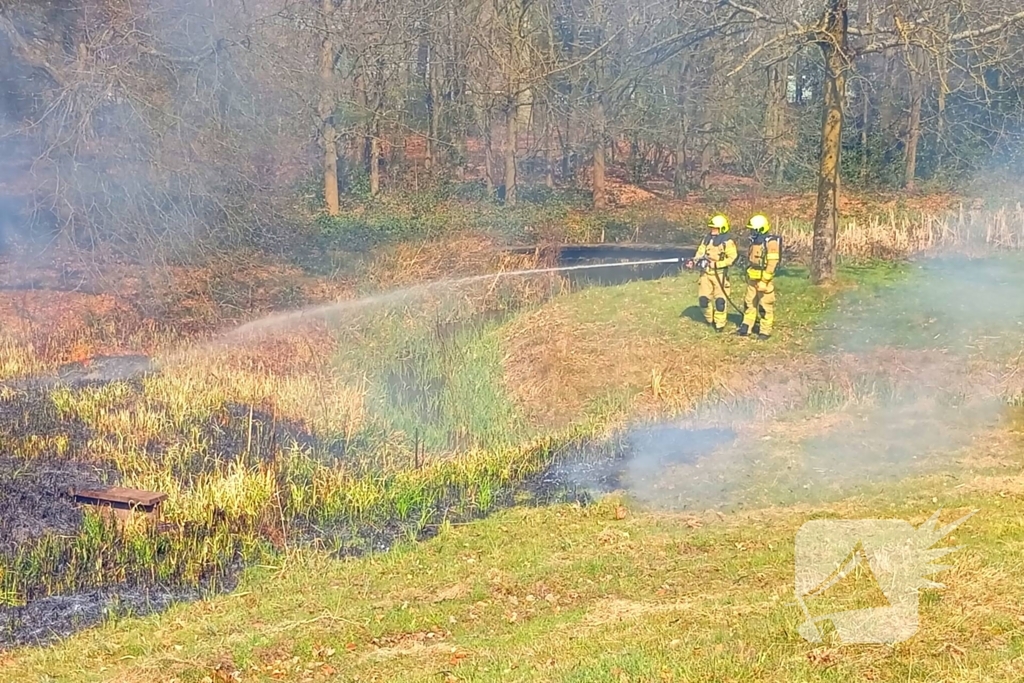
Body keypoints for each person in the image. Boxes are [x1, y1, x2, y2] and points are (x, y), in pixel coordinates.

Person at [685, 214, 737, 332]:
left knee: (720, 301)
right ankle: (709, 319)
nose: (712, 231)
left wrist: (717, 264)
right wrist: (693, 262)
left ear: (722, 228)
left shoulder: (727, 242)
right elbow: (700, 252)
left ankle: (719, 324)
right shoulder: (707, 239)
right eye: (711, 228)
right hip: (705, 274)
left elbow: (732, 258)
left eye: (715, 228)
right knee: (703, 299)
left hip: (720, 275)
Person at [738, 214, 780, 339]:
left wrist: (765, 281)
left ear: (761, 229)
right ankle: (746, 326)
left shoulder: (770, 243)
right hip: (753, 277)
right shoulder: (755, 242)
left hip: (764, 280)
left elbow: (772, 264)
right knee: (749, 302)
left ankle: (765, 331)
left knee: (764, 305)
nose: (751, 232)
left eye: (753, 230)